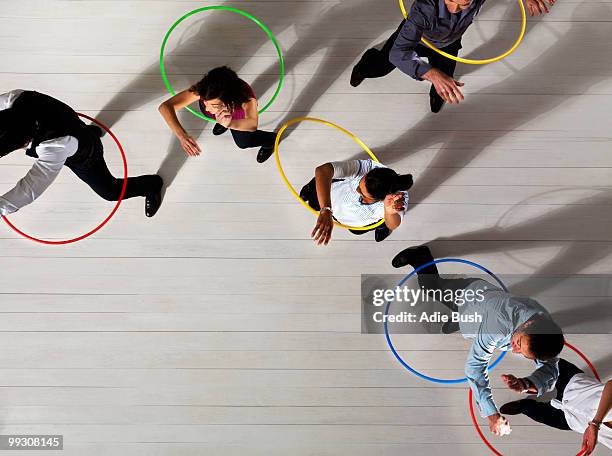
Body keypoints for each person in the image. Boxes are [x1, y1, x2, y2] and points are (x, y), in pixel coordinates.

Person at [391, 245, 565, 436]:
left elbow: (552, 368)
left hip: (485, 309)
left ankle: (463, 320)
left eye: (521, 352)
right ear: (526, 325)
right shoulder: (499, 325)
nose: (514, 350)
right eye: (518, 343)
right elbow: (475, 368)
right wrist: (492, 414)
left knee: (475, 323)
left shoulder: (543, 324)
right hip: (468, 294)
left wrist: (526, 384)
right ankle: (421, 256)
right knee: (431, 287)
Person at [350, 0, 557, 113]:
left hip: (449, 43)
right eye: (450, 1)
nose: (455, 10)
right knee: (379, 67)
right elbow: (399, 53)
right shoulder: (424, 8)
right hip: (418, 39)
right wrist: (430, 73)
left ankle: (437, 94)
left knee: (446, 80)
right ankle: (365, 65)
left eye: (464, 4)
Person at [0, 90, 163, 218]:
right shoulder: (14, 98)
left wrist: (3, 207)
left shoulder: (54, 147)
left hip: (85, 154)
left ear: (23, 144)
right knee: (75, 128)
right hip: (65, 119)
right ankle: (87, 131)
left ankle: (151, 185)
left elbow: (31, 187)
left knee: (109, 192)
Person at [159, 66, 277, 164]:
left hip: (238, 120)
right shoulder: (206, 88)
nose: (206, 108)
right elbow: (165, 107)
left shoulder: (246, 100)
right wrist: (182, 135)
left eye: (214, 106)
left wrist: (231, 123)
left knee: (243, 143)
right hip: (225, 116)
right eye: (204, 101)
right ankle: (222, 123)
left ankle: (271, 141)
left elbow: (252, 124)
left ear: (229, 102)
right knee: (216, 117)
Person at [501, 358, 611, 455]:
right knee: (549, 362)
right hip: (574, 386)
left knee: (533, 411)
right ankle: (527, 384)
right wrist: (595, 423)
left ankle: (523, 405)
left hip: (570, 420)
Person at [299, 159, 413, 245]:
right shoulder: (368, 167)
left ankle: (381, 226)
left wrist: (389, 212)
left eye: (362, 193)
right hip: (334, 196)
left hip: (357, 221)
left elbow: (393, 224)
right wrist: (326, 209)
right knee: (314, 198)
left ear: (381, 200)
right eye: (359, 185)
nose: (356, 189)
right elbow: (323, 170)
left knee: (357, 231)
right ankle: (309, 188)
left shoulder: (397, 199)